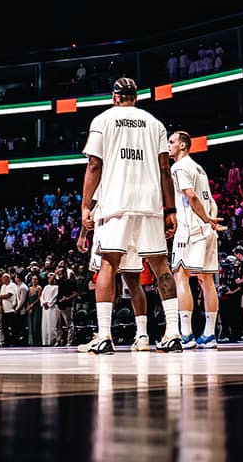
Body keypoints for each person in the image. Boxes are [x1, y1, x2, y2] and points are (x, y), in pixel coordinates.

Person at [76, 76, 183, 354]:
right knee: (161, 266)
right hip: (150, 203)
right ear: (136, 97)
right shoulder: (155, 124)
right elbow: (165, 169)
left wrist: (85, 205)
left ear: (114, 97)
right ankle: (173, 333)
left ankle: (104, 335)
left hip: (116, 202)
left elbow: (94, 165)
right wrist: (171, 210)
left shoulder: (102, 120)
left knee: (108, 265)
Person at [168, 130, 227, 348]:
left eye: (172, 142)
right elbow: (210, 200)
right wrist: (210, 221)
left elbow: (191, 196)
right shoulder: (199, 168)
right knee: (206, 279)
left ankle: (186, 334)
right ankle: (209, 335)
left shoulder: (178, 167)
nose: (168, 146)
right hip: (207, 230)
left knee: (181, 276)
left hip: (190, 228)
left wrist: (206, 219)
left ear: (183, 145)